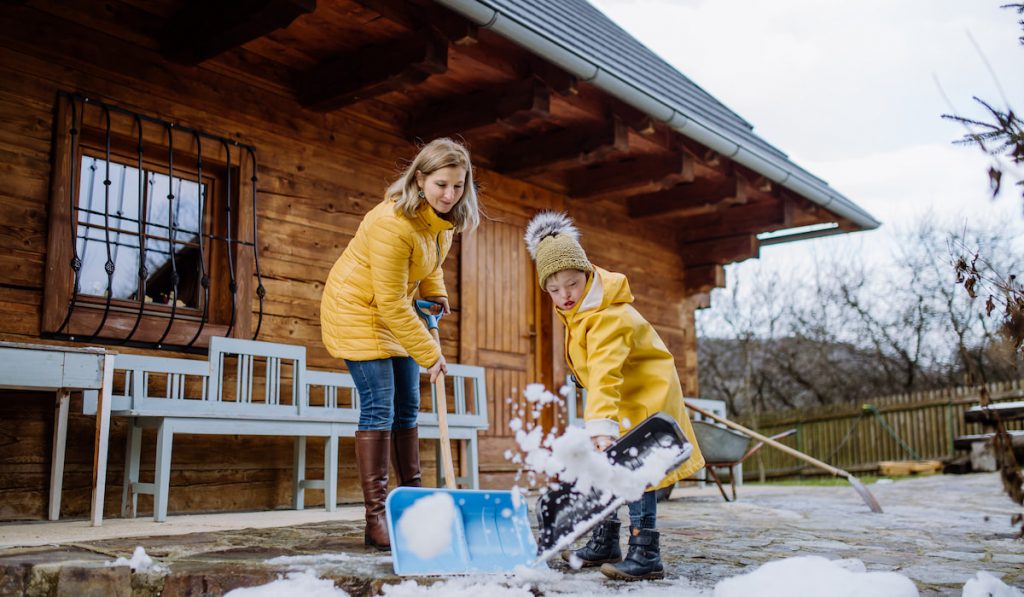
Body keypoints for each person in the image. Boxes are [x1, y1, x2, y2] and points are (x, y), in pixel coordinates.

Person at [523, 211, 704, 581]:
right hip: (619, 398)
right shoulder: (580, 313)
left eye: (571, 284)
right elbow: (595, 367)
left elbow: (606, 373)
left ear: (587, 273)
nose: (564, 296)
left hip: (644, 398)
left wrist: (600, 424)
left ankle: (646, 552)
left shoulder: (608, 315)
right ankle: (606, 540)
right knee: (602, 463)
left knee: (637, 472)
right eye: (553, 290)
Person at [320, 138, 480, 551]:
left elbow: (429, 265)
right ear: (420, 178)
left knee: (409, 404)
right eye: (442, 184)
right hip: (357, 311)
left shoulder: (440, 220)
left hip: (397, 313)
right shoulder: (392, 222)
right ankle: (376, 519)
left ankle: (412, 506)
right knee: (380, 404)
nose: (450, 194)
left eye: (459, 186)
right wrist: (431, 353)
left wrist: (437, 293)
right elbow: (389, 300)